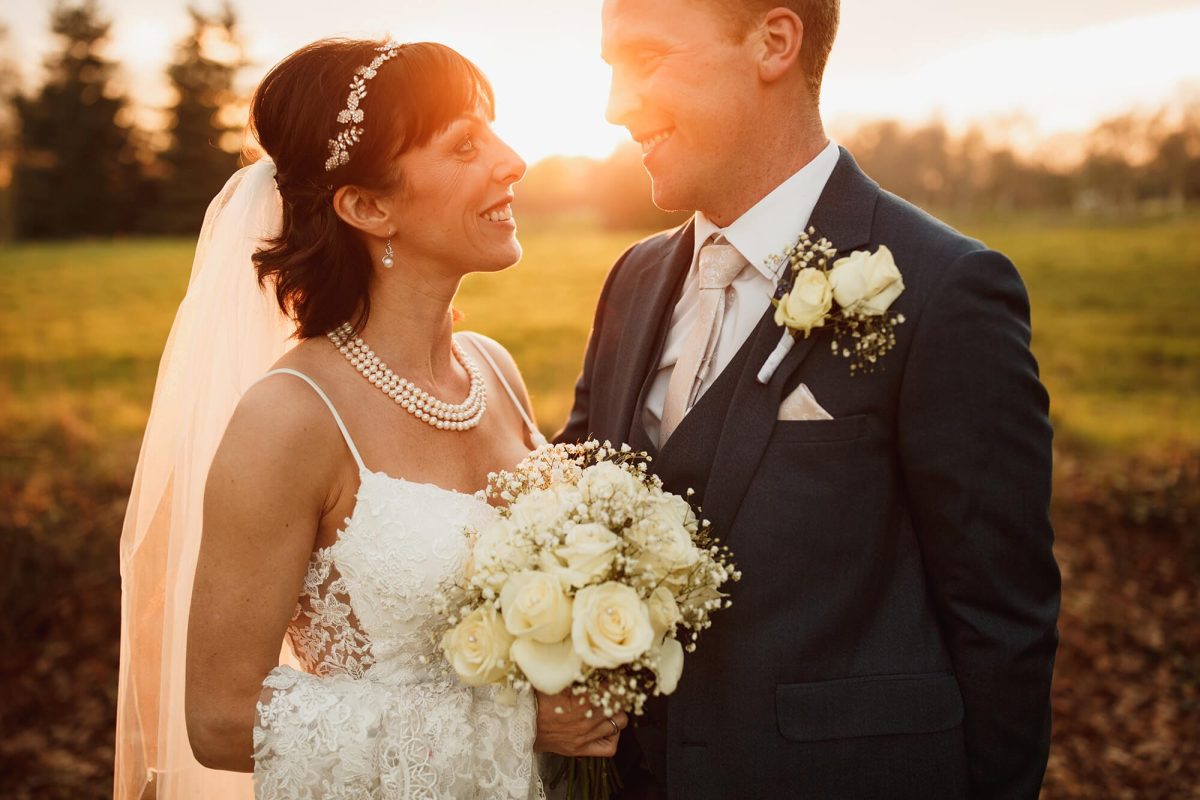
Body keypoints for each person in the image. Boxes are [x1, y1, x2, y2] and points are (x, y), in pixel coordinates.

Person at [557, 1, 1061, 798]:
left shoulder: (943, 289)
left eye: (646, 58)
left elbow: (1002, 623)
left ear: (774, 42)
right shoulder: (635, 279)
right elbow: (570, 518)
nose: (615, 105)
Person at [113, 38, 626, 799]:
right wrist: (507, 720)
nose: (512, 160)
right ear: (367, 205)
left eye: (493, 130)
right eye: (463, 144)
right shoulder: (289, 419)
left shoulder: (493, 369)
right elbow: (219, 721)